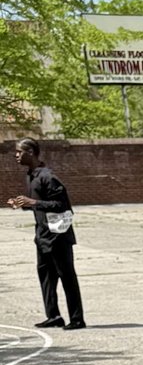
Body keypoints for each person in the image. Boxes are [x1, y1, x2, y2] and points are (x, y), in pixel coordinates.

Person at [10, 139, 85, 329]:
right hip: (42, 237)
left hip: (59, 237)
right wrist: (23, 204)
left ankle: (77, 319)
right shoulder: (31, 176)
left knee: (67, 277)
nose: (16, 156)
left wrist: (33, 203)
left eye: (19, 152)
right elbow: (39, 205)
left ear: (31, 152)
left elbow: (62, 206)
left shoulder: (48, 177)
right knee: (46, 277)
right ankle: (53, 316)